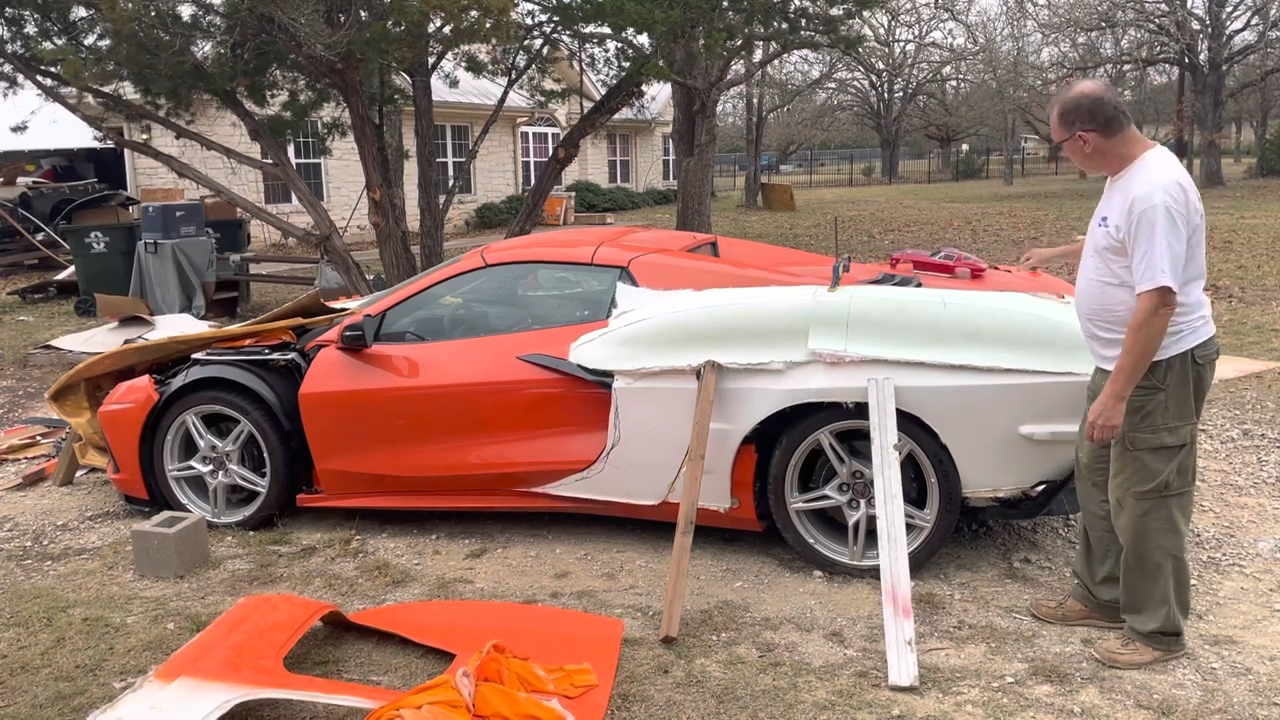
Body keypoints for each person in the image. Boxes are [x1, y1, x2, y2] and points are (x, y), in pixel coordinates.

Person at [1020, 79, 1219, 670]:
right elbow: (1114, 242)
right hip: (1119, 364)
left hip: (1157, 371)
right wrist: (1057, 254)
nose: (1061, 155)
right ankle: (1102, 596)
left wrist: (1117, 394)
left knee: (1147, 497)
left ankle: (1157, 630)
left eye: (1058, 145)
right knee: (1099, 477)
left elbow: (1158, 304)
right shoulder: (1126, 176)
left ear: (1083, 139)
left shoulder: (1155, 192)